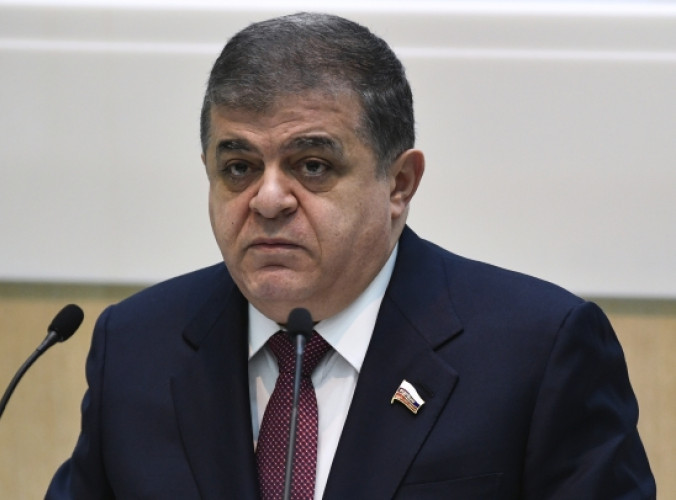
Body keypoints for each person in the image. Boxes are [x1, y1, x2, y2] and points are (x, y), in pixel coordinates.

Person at [46, 12, 655, 499]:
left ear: (399, 185)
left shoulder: (536, 352)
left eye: (313, 165)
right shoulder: (137, 348)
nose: (269, 199)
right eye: (239, 168)